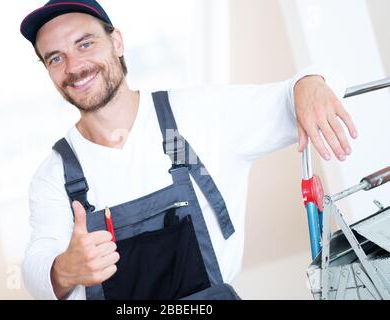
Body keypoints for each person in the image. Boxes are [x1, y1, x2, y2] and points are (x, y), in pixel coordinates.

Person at [20, 0, 357, 300]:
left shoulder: (200, 114)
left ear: (116, 42)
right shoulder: (55, 174)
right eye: (56, 58)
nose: (75, 66)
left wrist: (309, 81)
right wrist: (64, 269)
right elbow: (36, 264)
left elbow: (298, 97)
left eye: (85, 43)